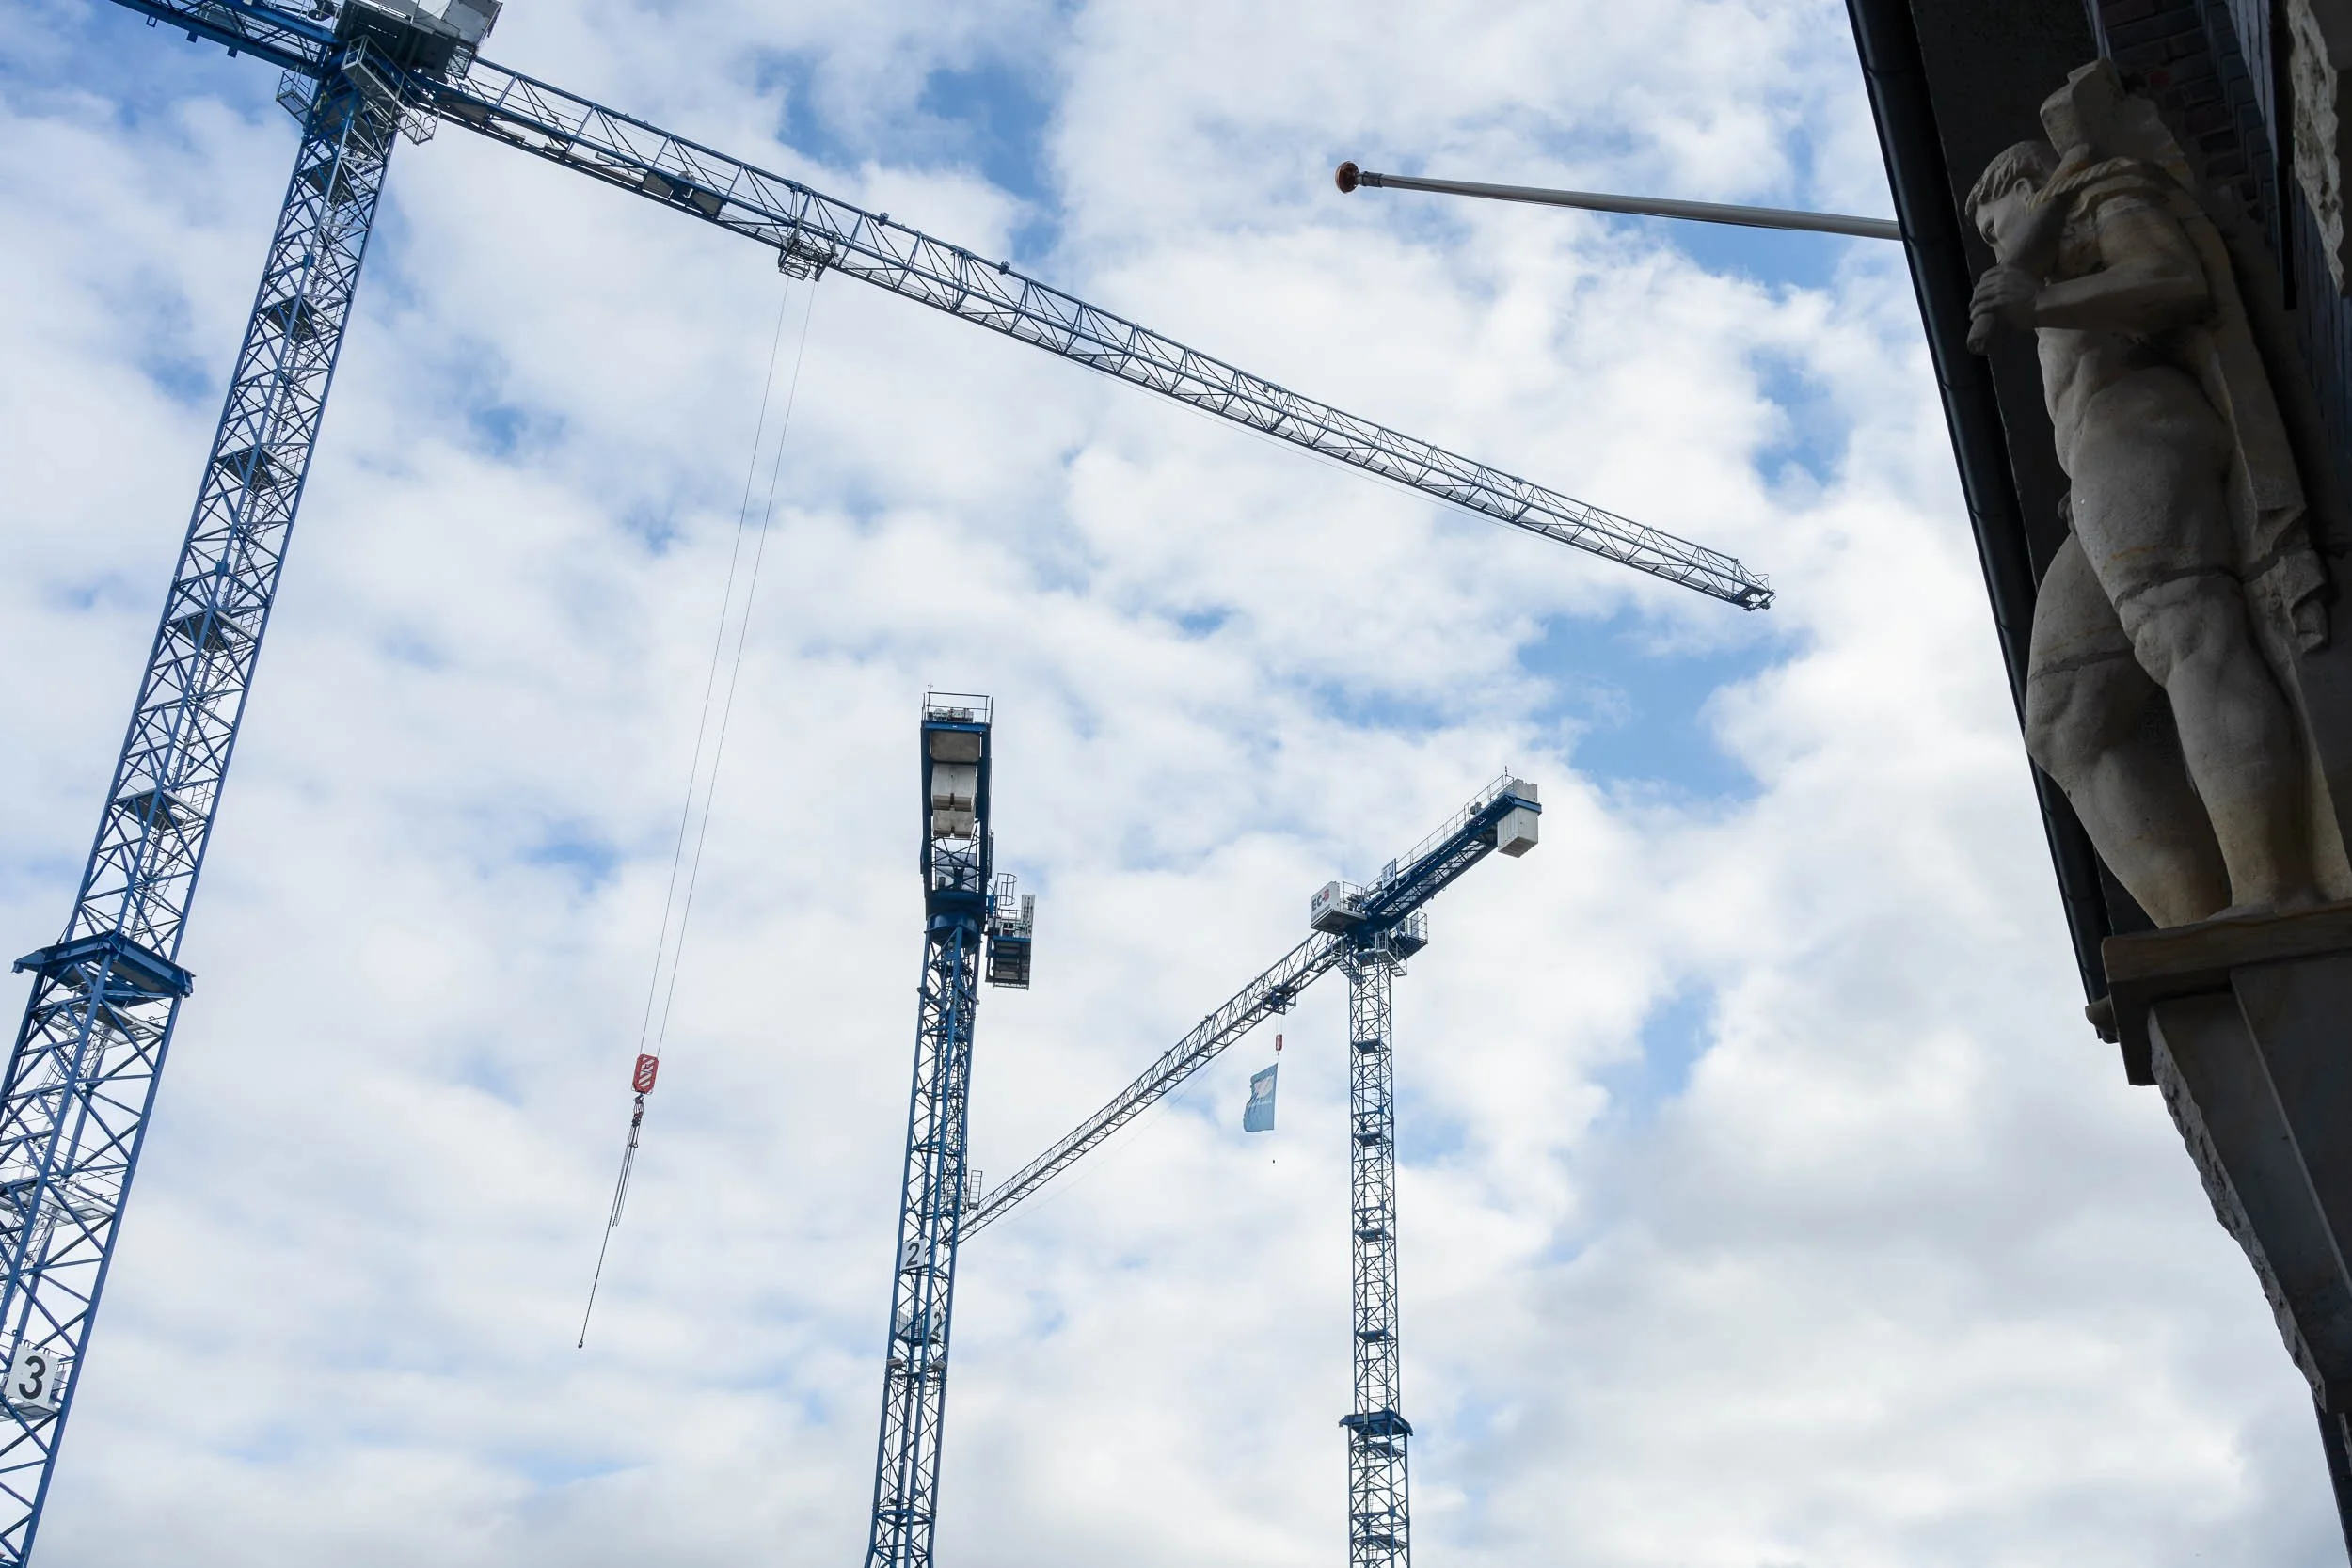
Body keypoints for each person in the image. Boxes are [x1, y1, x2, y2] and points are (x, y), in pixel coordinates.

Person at [1968, 136, 2323, 923]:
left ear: (2034, 186)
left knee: (2186, 635)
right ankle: (2198, 926)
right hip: (2097, 470)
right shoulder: (2055, 242)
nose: (1997, 248)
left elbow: (2171, 279)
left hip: (2141, 425)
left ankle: (2275, 889)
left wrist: (2041, 301)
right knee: (2064, 721)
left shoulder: (2096, 192)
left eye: (1998, 230)